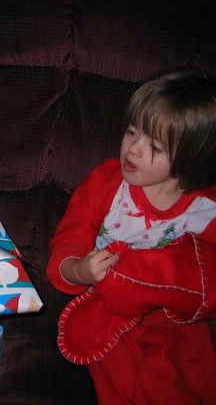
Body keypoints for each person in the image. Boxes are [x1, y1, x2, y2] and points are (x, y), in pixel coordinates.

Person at [47, 69, 216, 404]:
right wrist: (79, 270)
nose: (133, 150)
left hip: (171, 318)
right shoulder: (107, 183)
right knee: (118, 378)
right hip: (106, 306)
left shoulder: (206, 210)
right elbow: (67, 242)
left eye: (154, 146)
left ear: (193, 159)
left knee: (179, 380)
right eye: (131, 132)